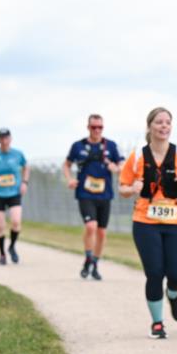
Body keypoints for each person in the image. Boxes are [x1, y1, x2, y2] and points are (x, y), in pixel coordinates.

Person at [118, 107, 177, 339]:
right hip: (145, 220)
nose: (164, 126)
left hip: (176, 219)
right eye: (159, 122)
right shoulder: (137, 156)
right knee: (154, 272)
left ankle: (172, 295)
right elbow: (122, 187)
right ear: (150, 126)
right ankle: (157, 323)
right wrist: (130, 189)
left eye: (167, 122)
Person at [63, 114, 123, 280]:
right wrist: (69, 179)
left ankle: (94, 263)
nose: (97, 130)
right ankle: (88, 257)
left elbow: (122, 166)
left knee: (102, 233)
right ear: (88, 127)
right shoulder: (78, 146)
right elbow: (66, 165)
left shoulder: (111, 146)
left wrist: (115, 168)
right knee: (91, 227)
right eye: (93, 127)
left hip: (105, 195)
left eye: (100, 127)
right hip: (85, 193)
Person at [0, 128, 29, 265]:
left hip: (14, 192)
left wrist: (25, 182)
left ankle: (12, 246)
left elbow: (26, 167)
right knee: (0, 226)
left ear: (10, 139)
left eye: (6, 138)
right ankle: (2, 254)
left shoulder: (17, 154)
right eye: (1, 138)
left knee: (16, 221)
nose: (4, 141)